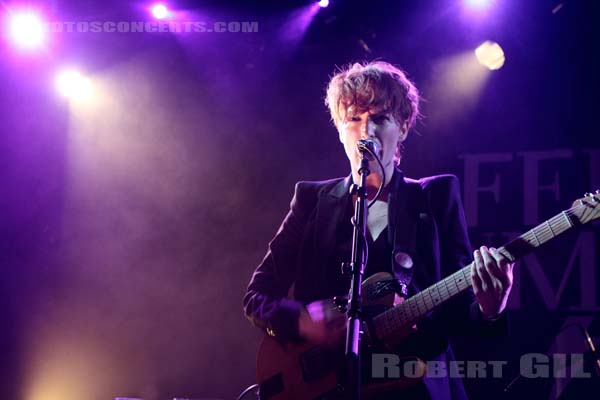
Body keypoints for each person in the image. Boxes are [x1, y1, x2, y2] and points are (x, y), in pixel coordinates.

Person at [243, 61, 514, 399]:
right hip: (327, 389)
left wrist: (491, 309)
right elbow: (257, 297)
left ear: (402, 128)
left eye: (380, 118)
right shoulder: (312, 200)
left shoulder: (436, 197)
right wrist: (301, 320)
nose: (366, 131)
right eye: (353, 119)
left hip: (414, 388)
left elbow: (460, 315)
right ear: (340, 130)